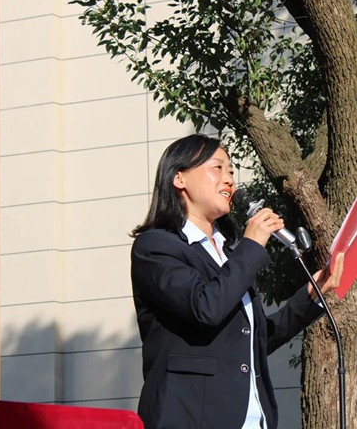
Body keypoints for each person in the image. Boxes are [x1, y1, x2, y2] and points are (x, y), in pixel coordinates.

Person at [130, 134, 343, 429]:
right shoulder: (156, 246)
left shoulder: (229, 253)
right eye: (217, 168)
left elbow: (255, 337)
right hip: (191, 418)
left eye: (231, 171)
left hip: (252, 418)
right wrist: (251, 245)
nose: (229, 179)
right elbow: (205, 307)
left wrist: (311, 296)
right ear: (179, 178)